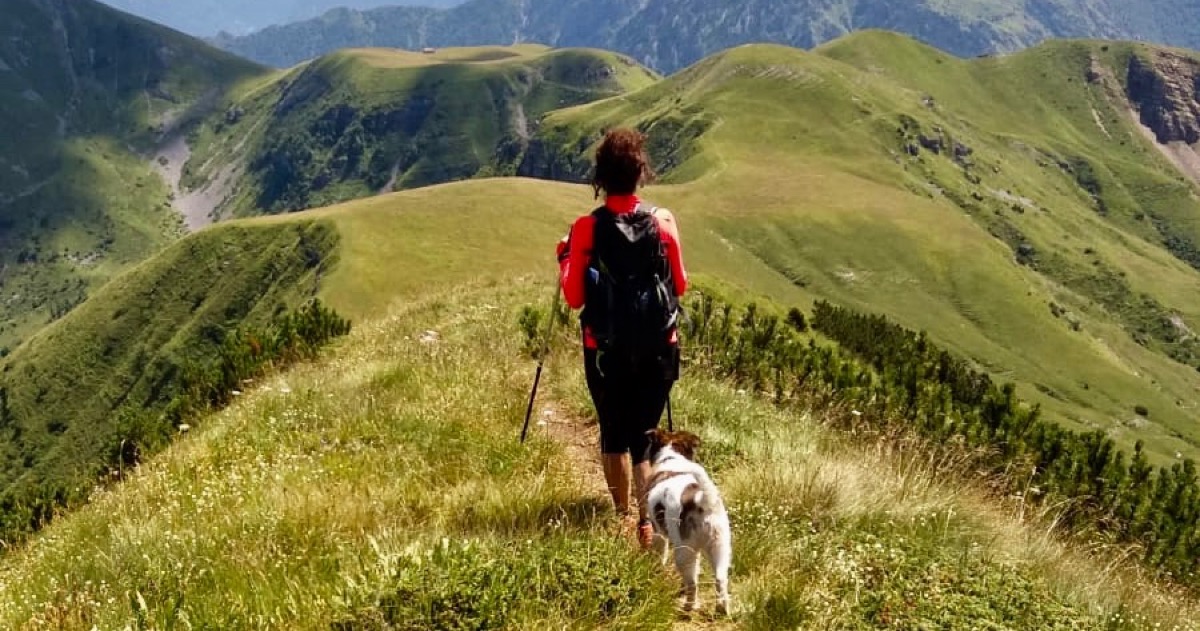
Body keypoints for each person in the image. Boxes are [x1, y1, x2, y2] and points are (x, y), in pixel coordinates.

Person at [555, 128, 688, 549]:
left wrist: (564, 259)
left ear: (600, 176)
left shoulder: (585, 229)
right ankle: (649, 525)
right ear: (640, 173)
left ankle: (621, 516)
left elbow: (575, 296)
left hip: (604, 350)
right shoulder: (663, 222)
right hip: (658, 346)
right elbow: (680, 286)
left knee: (614, 432)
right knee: (646, 436)